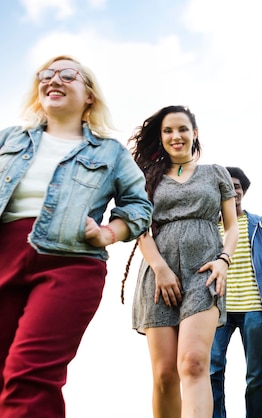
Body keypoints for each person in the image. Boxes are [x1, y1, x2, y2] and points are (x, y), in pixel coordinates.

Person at [0, 55, 152, 417]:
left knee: (29, 374)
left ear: (89, 95)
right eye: (46, 75)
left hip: (70, 263)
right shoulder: (9, 139)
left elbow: (139, 206)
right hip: (4, 255)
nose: (55, 79)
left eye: (69, 75)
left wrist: (108, 232)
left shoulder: (109, 152)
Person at [127, 105, 238, 418]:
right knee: (164, 374)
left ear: (195, 133)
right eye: (168, 131)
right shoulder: (146, 178)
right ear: (160, 138)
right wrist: (160, 269)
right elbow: (140, 228)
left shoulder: (215, 173)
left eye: (182, 129)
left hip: (203, 271)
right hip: (159, 275)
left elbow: (231, 227)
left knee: (193, 362)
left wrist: (223, 261)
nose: (176, 136)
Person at [210, 166, 262, 418]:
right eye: (227, 186)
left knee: (257, 373)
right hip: (217, 310)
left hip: (253, 307)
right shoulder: (209, 227)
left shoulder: (259, 226)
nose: (233, 191)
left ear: (244, 191)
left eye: (237, 186)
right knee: (212, 368)